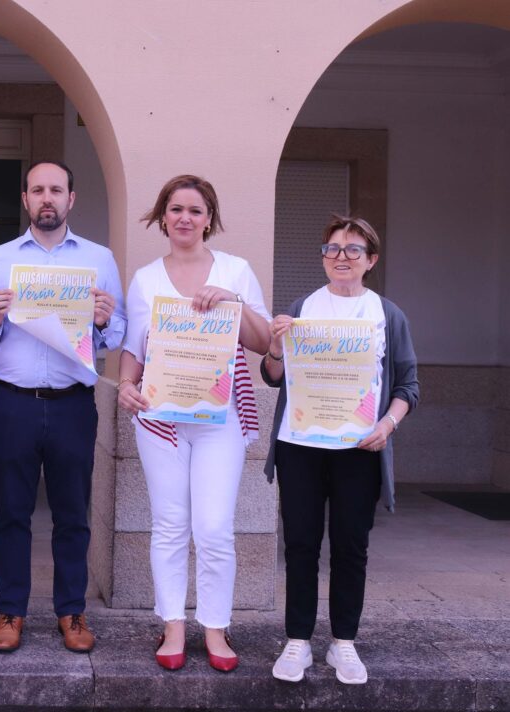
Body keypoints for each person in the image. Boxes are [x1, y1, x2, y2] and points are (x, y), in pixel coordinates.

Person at [116, 175, 270, 672]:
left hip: (219, 418)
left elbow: (265, 342)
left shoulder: (235, 270)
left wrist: (233, 302)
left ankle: (216, 627)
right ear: (163, 217)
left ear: (209, 219)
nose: (185, 218)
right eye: (176, 209)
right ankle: (173, 625)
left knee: (214, 527)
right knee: (169, 523)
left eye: (196, 210)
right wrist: (125, 385)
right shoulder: (146, 278)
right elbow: (134, 348)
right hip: (159, 416)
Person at [0, 160, 125, 653]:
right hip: (14, 404)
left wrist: (102, 321)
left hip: (72, 405)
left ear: (70, 199)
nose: (47, 198)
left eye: (56, 190)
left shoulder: (99, 259)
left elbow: (118, 333)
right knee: (11, 513)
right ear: (25, 199)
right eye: (37, 190)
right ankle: (10, 610)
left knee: (73, 515)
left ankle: (71, 611)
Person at [263, 215, 418, 685]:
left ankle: (343, 642)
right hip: (301, 445)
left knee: (351, 545)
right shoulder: (302, 308)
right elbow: (274, 376)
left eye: (353, 250)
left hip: (360, 448)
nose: (341, 257)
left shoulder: (387, 315)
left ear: (371, 260)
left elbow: (408, 386)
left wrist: (387, 425)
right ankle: (298, 640)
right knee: (300, 544)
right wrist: (275, 347)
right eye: (332, 249)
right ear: (323, 257)